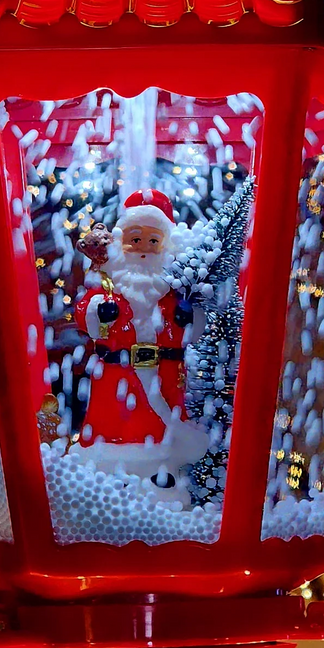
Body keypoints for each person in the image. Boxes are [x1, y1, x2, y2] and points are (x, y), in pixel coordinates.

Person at [75, 188, 209, 490]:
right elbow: (85, 312)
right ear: (122, 243)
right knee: (114, 423)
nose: (143, 248)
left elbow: (188, 330)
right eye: (135, 240)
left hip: (164, 374)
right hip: (116, 374)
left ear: (165, 246)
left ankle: (162, 475)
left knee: (160, 427)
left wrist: (188, 318)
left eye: (152, 241)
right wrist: (99, 311)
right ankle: (107, 478)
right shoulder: (110, 284)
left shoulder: (171, 291)